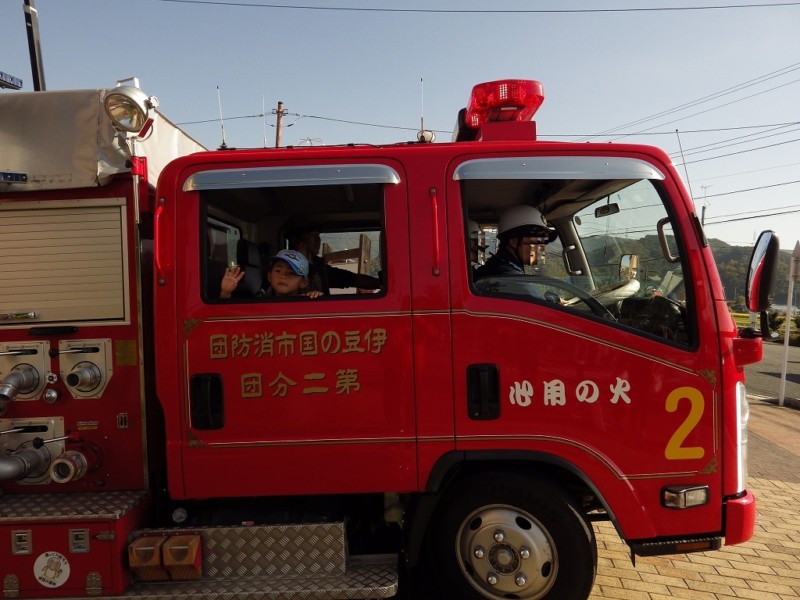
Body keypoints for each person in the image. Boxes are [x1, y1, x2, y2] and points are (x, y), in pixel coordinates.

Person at [473, 205, 556, 282]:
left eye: (543, 243)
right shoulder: (508, 275)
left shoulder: (497, 265)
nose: (540, 249)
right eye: (536, 242)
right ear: (514, 242)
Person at [289, 226, 381, 294]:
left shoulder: (318, 264)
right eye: (312, 235)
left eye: (318, 235)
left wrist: (380, 283)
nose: (318, 240)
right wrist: (305, 264)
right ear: (296, 241)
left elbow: (348, 278)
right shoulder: (287, 266)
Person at [220, 249, 323, 299]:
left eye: (291, 273)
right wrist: (226, 292)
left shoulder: (306, 301)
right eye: (278, 271)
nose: (283, 276)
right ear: (269, 276)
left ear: (303, 283)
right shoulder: (260, 301)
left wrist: (318, 297)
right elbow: (225, 314)